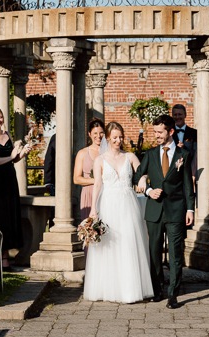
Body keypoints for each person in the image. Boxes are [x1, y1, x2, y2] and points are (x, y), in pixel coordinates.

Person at [84, 122, 153, 303]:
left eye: (120, 137)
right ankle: (109, 288)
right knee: (109, 245)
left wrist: (144, 180)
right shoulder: (100, 160)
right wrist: (93, 209)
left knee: (129, 243)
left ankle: (130, 289)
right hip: (108, 203)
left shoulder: (130, 156)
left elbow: (142, 173)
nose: (118, 140)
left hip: (128, 203)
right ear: (108, 138)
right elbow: (97, 184)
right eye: (114, 138)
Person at [133, 114, 195, 309]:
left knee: (176, 254)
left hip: (176, 211)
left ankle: (173, 295)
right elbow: (136, 177)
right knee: (154, 253)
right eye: (155, 132)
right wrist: (149, 190)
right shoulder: (150, 155)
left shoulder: (182, 155)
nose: (157, 136)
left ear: (170, 132)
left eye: (160, 132)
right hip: (154, 212)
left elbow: (187, 185)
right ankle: (157, 290)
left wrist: (190, 209)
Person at [0, 105, 31, 267]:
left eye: (0, 117)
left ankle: (5, 258)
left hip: (9, 180)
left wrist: (23, 153)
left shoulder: (7, 134)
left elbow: (14, 159)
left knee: (8, 216)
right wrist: (11, 156)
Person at [73, 118, 105, 220]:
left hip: (105, 192)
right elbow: (76, 179)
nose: (98, 136)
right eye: (95, 133)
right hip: (88, 194)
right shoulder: (82, 153)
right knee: (90, 228)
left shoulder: (108, 152)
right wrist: (96, 180)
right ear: (89, 134)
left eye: (101, 133)